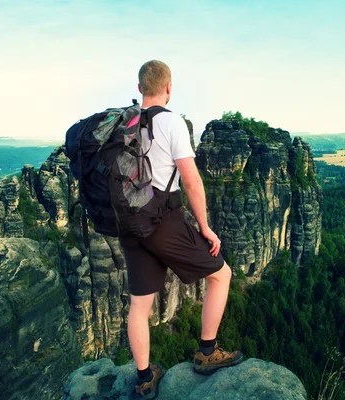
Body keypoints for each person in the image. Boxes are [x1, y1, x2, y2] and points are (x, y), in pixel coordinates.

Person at [119, 60, 243, 399]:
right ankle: (206, 351)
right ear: (168, 89)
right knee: (221, 274)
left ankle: (145, 378)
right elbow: (191, 180)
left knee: (139, 307)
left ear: (140, 87)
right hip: (162, 220)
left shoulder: (123, 123)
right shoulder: (172, 122)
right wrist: (205, 227)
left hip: (130, 222)